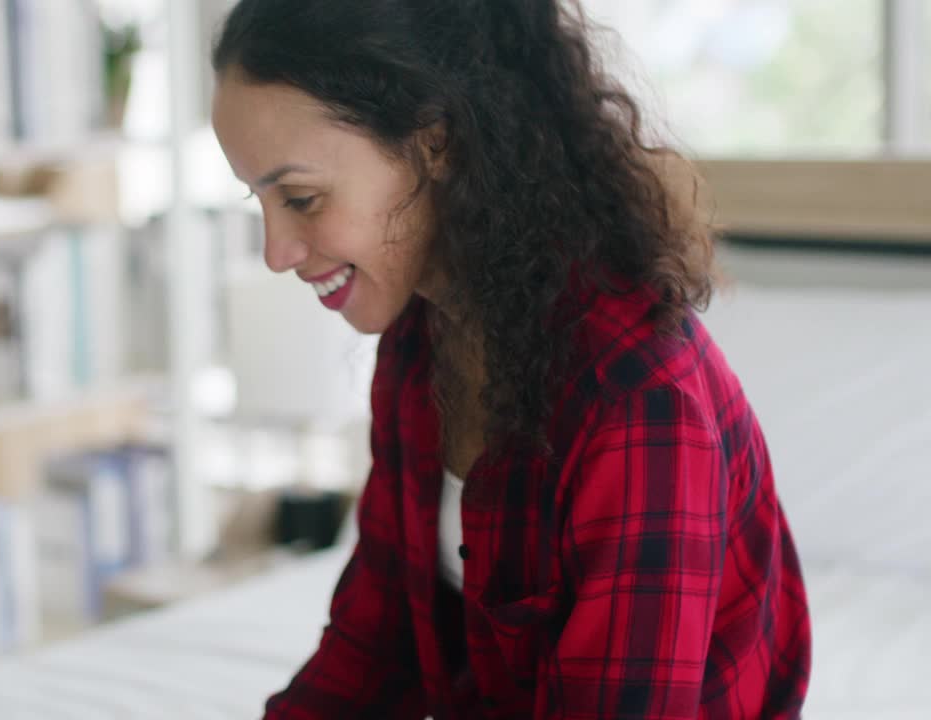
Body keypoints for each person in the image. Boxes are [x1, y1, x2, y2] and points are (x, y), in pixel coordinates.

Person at [211, 1, 811, 718]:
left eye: (302, 198)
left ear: (435, 143)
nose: (277, 252)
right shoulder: (421, 335)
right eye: (261, 202)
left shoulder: (635, 397)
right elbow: (378, 643)